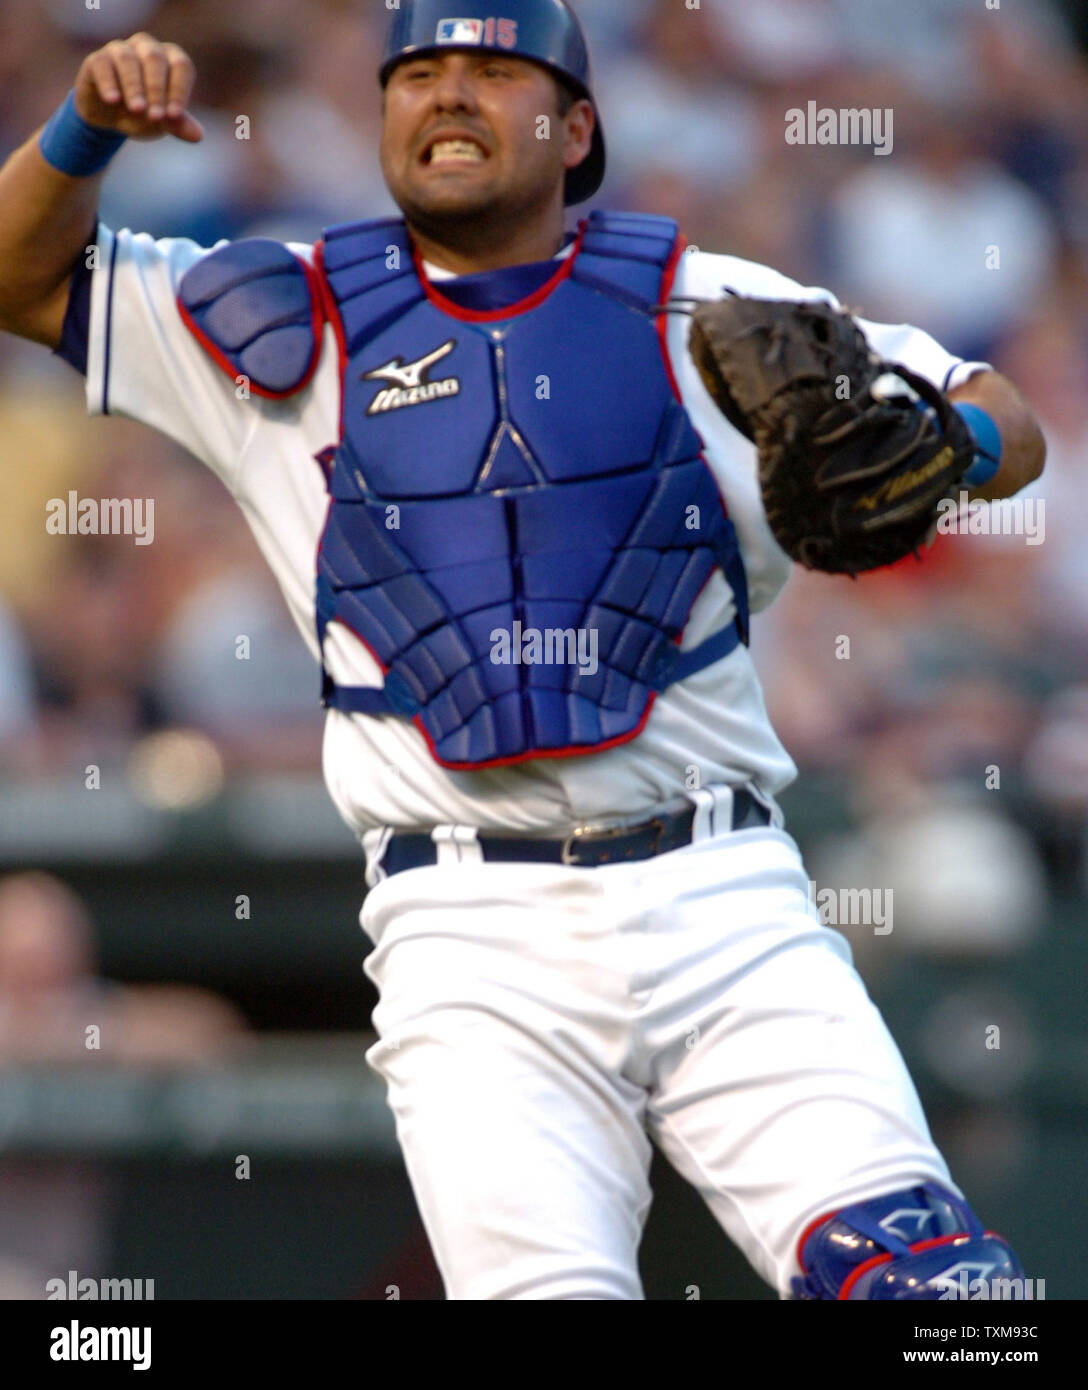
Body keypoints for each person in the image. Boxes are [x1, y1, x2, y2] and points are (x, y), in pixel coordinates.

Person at [0, 0, 1045, 1300]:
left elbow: (1002, 413)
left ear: (576, 124)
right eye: (419, 72)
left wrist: (960, 448)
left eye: (495, 72)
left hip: (719, 893)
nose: (449, 96)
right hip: (467, 929)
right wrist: (83, 129)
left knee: (938, 1292)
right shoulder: (282, 318)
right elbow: (16, 273)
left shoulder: (706, 303)